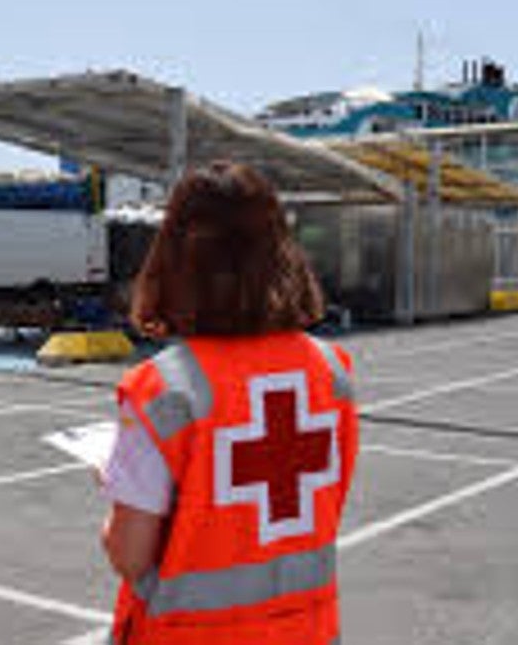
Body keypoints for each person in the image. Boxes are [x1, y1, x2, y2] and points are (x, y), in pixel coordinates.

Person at [99, 162, 359, 644]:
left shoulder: (163, 391)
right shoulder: (332, 371)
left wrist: (111, 488)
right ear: (283, 252)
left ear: (175, 257)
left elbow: (129, 555)